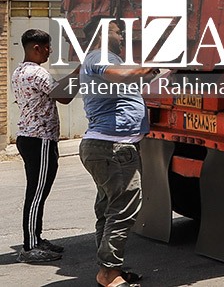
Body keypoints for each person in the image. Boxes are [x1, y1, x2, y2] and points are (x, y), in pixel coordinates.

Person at [79, 17, 168, 287]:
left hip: (107, 147)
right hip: (113, 148)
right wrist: (151, 62)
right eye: (118, 32)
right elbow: (123, 76)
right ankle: (108, 274)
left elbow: (130, 82)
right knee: (121, 211)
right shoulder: (99, 56)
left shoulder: (106, 59)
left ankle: (109, 270)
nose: (122, 37)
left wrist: (159, 70)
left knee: (109, 210)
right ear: (103, 33)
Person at [11, 28, 75, 264]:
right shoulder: (37, 73)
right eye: (48, 47)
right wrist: (79, 73)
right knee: (37, 194)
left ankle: (36, 239)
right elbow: (64, 96)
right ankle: (30, 247)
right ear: (36, 48)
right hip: (40, 139)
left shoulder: (20, 71)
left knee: (38, 191)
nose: (50, 51)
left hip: (30, 138)